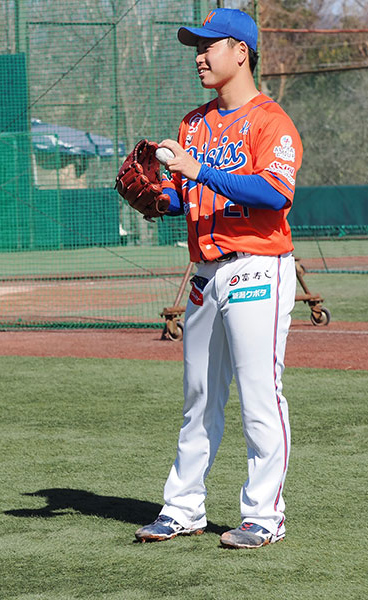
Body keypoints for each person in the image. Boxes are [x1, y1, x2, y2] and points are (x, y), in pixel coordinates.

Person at [134, 8, 302, 549]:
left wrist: (198, 170)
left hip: (257, 266)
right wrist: (156, 198)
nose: (200, 56)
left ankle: (264, 516)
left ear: (241, 52)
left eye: (209, 45)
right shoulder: (194, 123)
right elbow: (186, 196)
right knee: (200, 397)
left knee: (259, 394)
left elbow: (275, 194)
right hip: (206, 274)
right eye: (195, 47)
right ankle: (183, 508)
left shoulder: (270, 121)